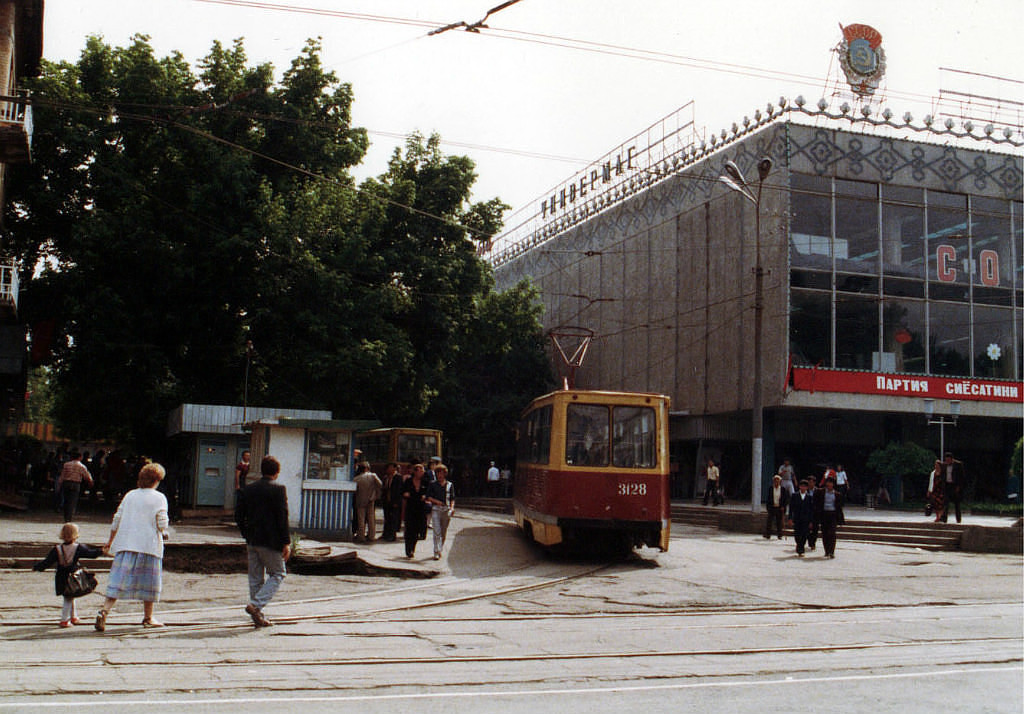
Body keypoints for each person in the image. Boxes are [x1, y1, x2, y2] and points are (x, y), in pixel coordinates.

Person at [94, 462, 170, 631]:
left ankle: (104, 611)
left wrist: (110, 541)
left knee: (118, 582)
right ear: (157, 480)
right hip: (148, 545)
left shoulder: (130, 495)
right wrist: (165, 532)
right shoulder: (159, 497)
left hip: (126, 544)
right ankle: (148, 617)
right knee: (149, 583)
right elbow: (161, 521)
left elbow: (117, 519)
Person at [236, 455, 291, 628]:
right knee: (278, 573)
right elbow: (282, 517)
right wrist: (286, 542)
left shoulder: (249, 489)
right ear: (276, 472)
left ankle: (257, 616)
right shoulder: (279, 489)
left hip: (252, 539)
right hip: (271, 540)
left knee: (255, 578)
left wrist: (246, 534)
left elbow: (238, 516)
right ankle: (256, 605)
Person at [33, 523, 102, 627]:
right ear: (76, 534)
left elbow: (47, 562)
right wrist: (101, 550)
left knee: (69, 596)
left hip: (61, 576)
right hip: (73, 576)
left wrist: (37, 567)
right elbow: (91, 554)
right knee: (69, 598)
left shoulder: (57, 549)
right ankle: (64, 619)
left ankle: (73, 616)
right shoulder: (78, 547)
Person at [425, 464, 455, 560]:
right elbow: (428, 497)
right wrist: (437, 502)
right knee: (436, 531)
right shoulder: (432, 484)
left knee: (443, 531)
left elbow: (452, 498)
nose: (440, 475)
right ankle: (436, 551)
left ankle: (440, 548)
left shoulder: (450, 485)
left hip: (446, 510)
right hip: (436, 509)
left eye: (441, 473)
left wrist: (452, 507)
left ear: (445, 474)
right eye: (438, 473)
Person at [401, 462, 430, 558]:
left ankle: (413, 547)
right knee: (409, 529)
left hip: (421, 508)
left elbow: (429, 493)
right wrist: (405, 494)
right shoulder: (408, 481)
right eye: (420, 471)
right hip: (410, 507)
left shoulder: (425, 482)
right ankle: (408, 549)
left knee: (417, 529)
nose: (422, 473)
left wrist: (426, 496)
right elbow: (402, 491)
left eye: (423, 471)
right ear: (415, 472)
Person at [813, 476, 845, 559]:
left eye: (831, 483)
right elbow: (816, 503)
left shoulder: (837, 494)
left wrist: (841, 519)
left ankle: (832, 551)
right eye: (828, 482)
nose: (829, 484)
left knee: (832, 533)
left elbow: (839, 507)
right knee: (825, 533)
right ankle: (827, 551)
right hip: (824, 514)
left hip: (833, 514)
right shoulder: (820, 492)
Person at [58, 450, 94, 523]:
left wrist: (59, 484)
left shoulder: (66, 464)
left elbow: (62, 475)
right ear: (80, 457)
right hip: (75, 484)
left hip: (66, 483)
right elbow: (87, 476)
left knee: (66, 500)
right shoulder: (81, 466)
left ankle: (66, 516)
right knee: (72, 501)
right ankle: (69, 518)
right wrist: (90, 483)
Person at [353, 461, 382, 543]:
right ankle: (371, 535)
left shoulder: (356, 479)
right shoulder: (373, 476)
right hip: (371, 499)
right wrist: (376, 493)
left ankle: (361, 536)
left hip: (360, 500)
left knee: (361, 519)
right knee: (371, 518)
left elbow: (355, 490)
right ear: (367, 468)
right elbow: (380, 484)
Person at [787, 479, 815, 557]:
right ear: (799, 487)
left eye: (805, 486)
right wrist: (790, 518)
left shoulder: (809, 497)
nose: (803, 488)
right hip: (797, 518)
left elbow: (811, 510)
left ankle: (801, 549)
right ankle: (798, 545)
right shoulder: (795, 495)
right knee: (797, 534)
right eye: (802, 486)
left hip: (806, 519)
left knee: (804, 534)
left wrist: (811, 521)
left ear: (807, 488)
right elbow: (791, 508)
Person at [940, 452, 966, 523]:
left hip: (954, 485)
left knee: (957, 504)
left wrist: (959, 487)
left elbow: (962, 477)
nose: (947, 461)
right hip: (947, 485)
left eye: (949, 460)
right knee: (946, 502)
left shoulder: (958, 465)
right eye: (946, 460)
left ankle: (958, 519)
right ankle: (944, 518)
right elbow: (942, 476)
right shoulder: (944, 465)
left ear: (952, 459)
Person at [380, 462, 402, 542]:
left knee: (394, 519)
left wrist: (397, 502)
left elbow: (399, 490)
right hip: (386, 501)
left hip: (394, 501)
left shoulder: (398, 477)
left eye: (390, 468)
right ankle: (386, 533)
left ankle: (392, 535)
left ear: (394, 468)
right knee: (387, 518)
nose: (389, 469)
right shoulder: (386, 477)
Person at [763, 474, 790, 539]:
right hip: (772, 507)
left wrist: (783, 506)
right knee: (769, 522)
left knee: (779, 522)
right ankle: (768, 534)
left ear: (780, 481)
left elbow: (785, 499)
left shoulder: (783, 489)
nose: (776, 482)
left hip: (779, 508)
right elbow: (769, 498)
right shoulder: (771, 488)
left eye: (778, 481)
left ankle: (779, 535)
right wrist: (768, 507)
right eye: (775, 481)